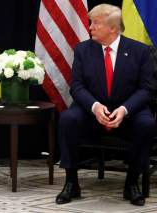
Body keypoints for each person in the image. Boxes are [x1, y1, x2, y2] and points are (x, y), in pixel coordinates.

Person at [55, 4, 156, 206]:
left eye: (96, 23)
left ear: (113, 28)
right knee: (68, 119)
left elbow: (146, 89)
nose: (90, 27)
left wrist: (124, 109)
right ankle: (71, 182)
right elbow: (76, 86)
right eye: (91, 22)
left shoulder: (140, 51)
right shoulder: (83, 50)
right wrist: (95, 106)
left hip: (128, 111)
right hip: (91, 110)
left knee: (146, 124)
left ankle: (131, 182)